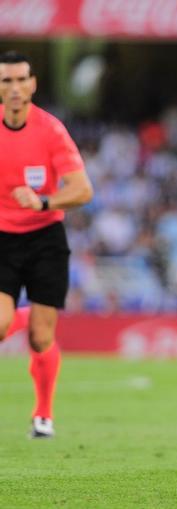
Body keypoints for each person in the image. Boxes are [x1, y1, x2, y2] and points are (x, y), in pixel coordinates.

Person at [0, 51, 94, 438]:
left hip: (45, 239)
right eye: (6, 81)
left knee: (41, 337)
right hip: (3, 238)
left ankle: (43, 414)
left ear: (33, 83)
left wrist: (43, 202)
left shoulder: (51, 130)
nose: (15, 88)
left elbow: (82, 190)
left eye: (21, 80)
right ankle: (16, 317)